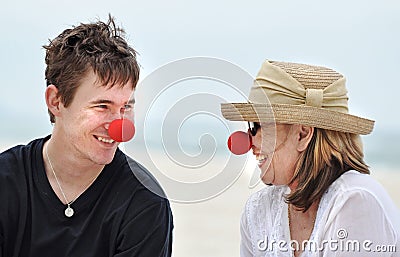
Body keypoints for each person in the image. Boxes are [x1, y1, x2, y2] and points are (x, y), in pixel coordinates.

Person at [0, 15, 173, 257]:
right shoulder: (5, 182)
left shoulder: (145, 203)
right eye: (103, 106)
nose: (119, 126)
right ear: (56, 101)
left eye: (126, 108)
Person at [221, 60, 400, 256]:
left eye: (257, 126)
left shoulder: (356, 201)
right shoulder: (258, 211)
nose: (249, 140)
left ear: (303, 134)